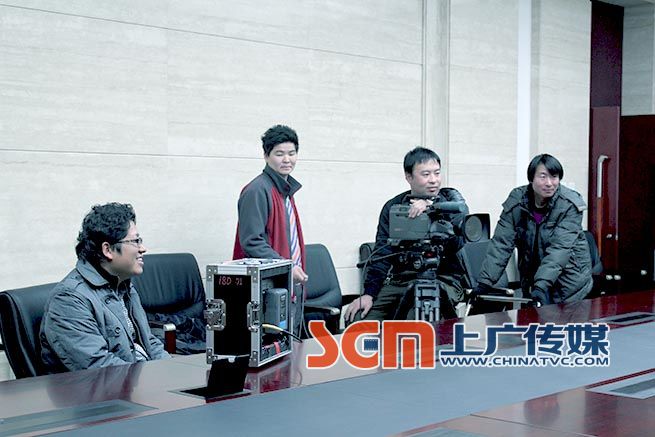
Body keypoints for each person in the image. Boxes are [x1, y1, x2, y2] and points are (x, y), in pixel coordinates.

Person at [344, 147, 469, 322]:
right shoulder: (393, 207)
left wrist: (432, 208)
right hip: (400, 280)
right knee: (361, 321)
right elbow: (382, 253)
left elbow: (457, 242)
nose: (433, 180)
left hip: (443, 279)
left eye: (437, 173)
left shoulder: (451, 203)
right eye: (426, 174)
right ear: (409, 177)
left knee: (417, 319)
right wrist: (369, 294)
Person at [40, 203, 170, 372]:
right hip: (105, 387)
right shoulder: (68, 300)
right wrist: (151, 378)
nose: (143, 249)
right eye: (135, 241)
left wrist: (171, 371)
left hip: (138, 380)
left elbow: (149, 343)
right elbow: (99, 367)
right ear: (108, 250)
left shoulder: (124, 285)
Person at [472, 154, 593, 306]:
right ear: (531, 178)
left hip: (568, 283)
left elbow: (560, 249)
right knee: (531, 318)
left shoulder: (569, 204)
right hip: (532, 279)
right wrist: (485, 282)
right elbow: (501, 244)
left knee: (557, 319)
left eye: (554, 177)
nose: (549, 183)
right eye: (543, 177)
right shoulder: (517, 201)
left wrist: (541, 285)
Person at [233, 124, 308, 336]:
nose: (287, 159)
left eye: (292, 153)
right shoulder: (257, 190)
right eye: (279, 154)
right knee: (273, 348)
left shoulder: (285, 190)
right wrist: (288, 267)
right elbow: (252, 241)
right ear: (266, 156)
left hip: (287, 284)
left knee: (291, 347)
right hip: (269, 289)